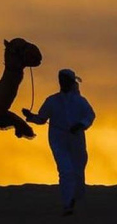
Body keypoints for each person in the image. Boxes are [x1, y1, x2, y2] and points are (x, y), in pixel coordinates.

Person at [23, 69, 95, 215]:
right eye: (61, 80)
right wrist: (30, 117)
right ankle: (67, 204)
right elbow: (41, 119)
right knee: (65, 170)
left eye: (65, 80)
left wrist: (80, 125)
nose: (63, 82)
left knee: (77, 170)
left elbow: (90, 115)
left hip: (76, 140)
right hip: (58, 140)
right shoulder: (52, 101)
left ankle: (75, 198)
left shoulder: (80, 101)